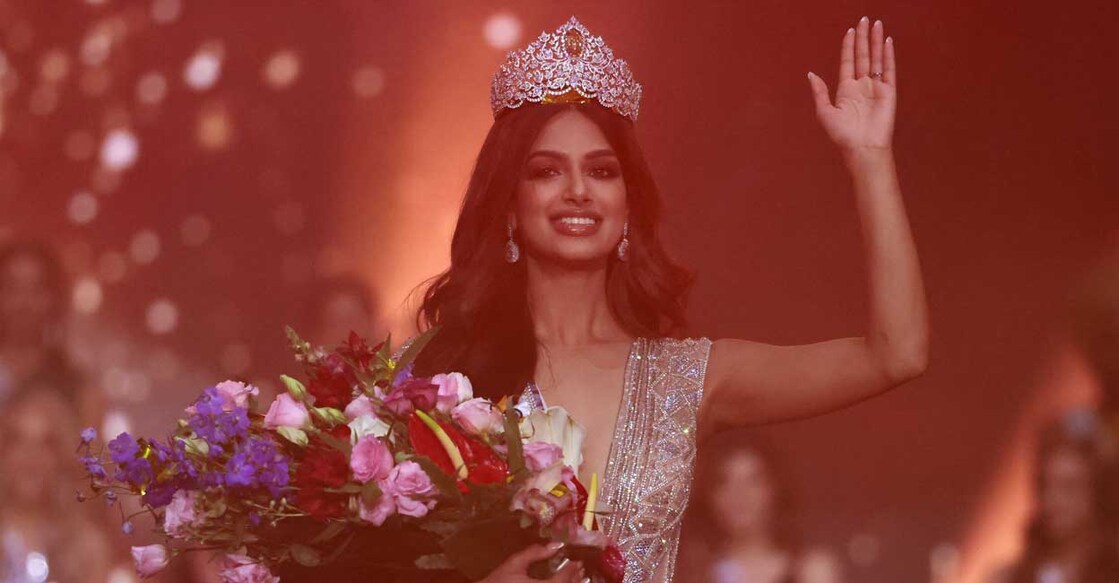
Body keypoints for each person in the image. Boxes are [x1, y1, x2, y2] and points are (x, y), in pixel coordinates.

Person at [413, 16, 927, 582]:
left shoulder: (689, 379)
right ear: (509, 206)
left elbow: (896, 354)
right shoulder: (446, 378)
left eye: (602, 171)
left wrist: (870, 158)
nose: (578, 191)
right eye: (545, 171)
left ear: (629, 204)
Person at [679, 434, 843, 582]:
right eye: (724, 482)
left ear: (775, 490)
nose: (738, 495)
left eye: (753, 481)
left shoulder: (812, 569)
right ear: (710, 495)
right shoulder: (692, 571)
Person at [991, 411, 1119, 583]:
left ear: (1098, 494)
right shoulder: (1011, 576)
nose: (1053, 501)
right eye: (1046, 486)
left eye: (1069, 488)